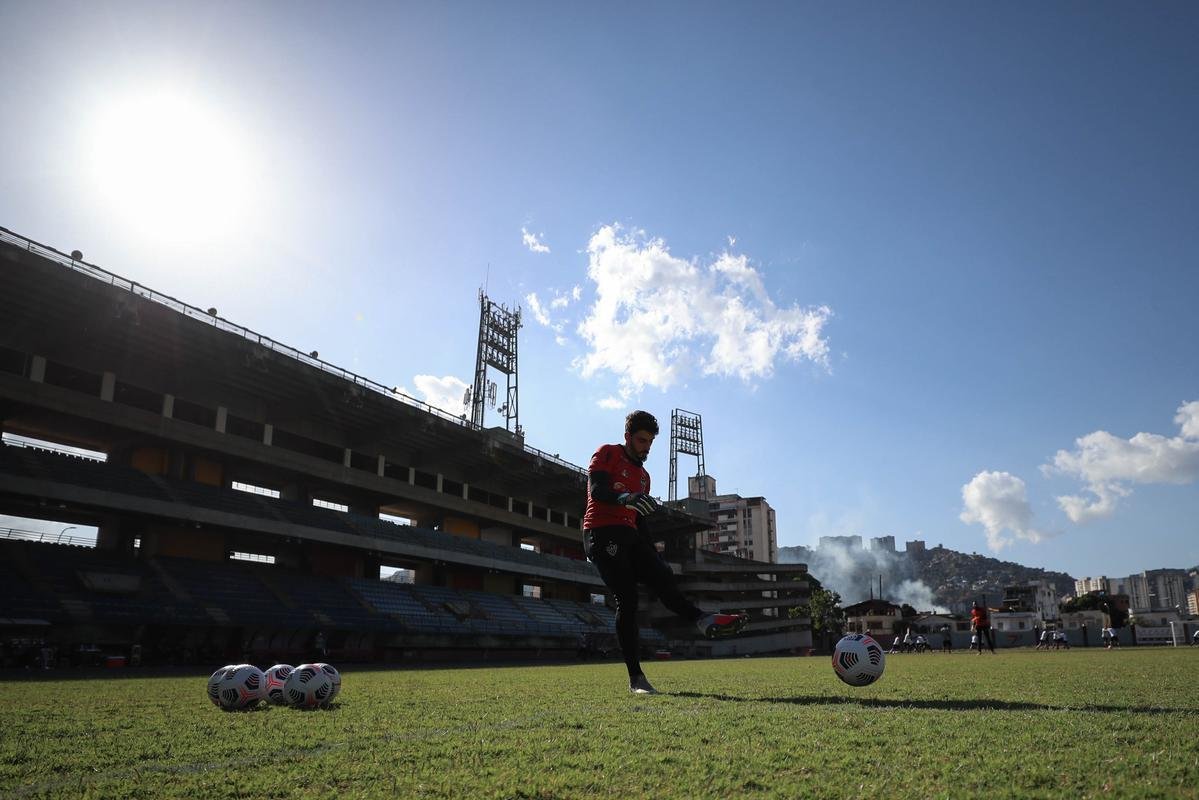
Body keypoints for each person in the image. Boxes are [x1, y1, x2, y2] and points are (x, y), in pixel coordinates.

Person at [584, 410, 747, 695]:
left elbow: (640, 521)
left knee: (663, 577)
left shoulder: (644, 478)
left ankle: (702, 619)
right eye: (641, 440)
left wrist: (655, 555)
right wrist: (625, 498)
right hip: (601, 532)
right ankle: (636, 679)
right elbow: (597, 491)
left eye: (650, 442)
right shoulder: (607, 453)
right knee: (628, 599)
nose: (646, 447)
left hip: (629, 534)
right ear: (628, 437)